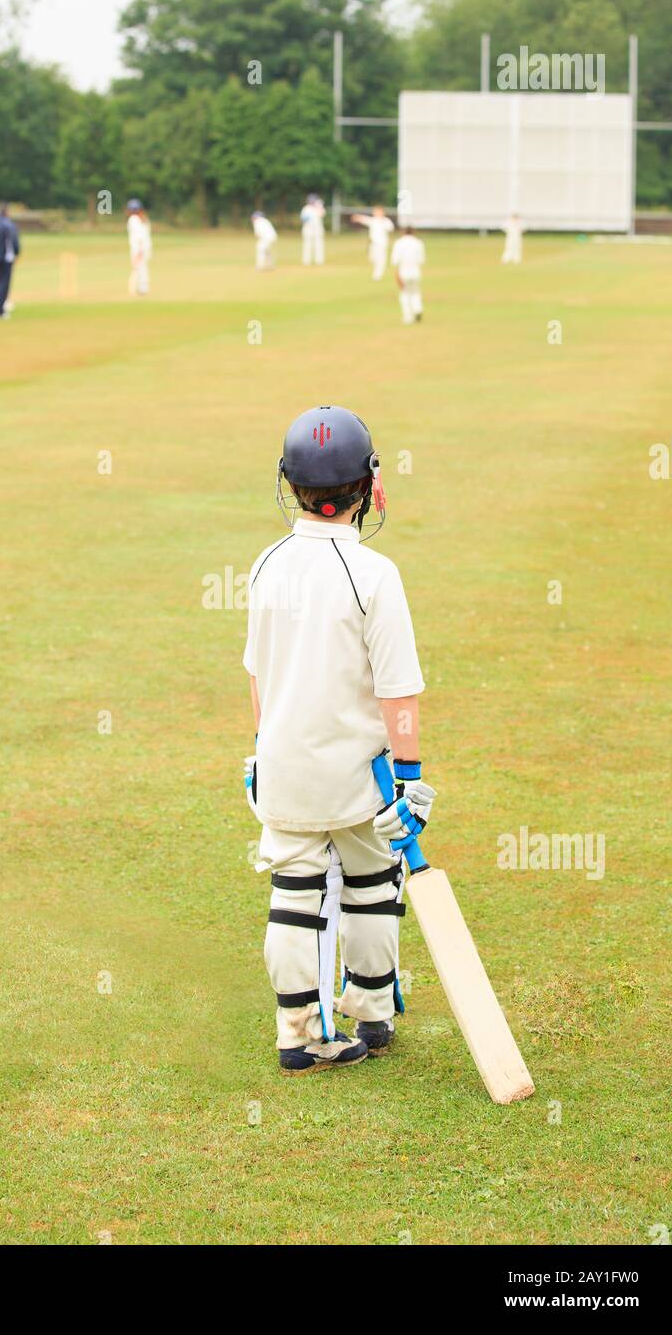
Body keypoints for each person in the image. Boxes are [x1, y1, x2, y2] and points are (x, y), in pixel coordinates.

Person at [242, 405, 432, 1073]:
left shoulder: (265, 564)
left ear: (288, 482)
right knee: (373, 884)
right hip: (358, 775)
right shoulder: (375, 575)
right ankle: (372, 1015)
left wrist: (260, 753)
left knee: (294, 894)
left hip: (285, 766)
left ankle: (296, 1033)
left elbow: (259, 675)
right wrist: (408, 775)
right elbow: (397, 690)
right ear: (368, 483)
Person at [391, 225, 426, 324]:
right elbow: (421, 260)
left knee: (404, 293)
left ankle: (408, 317)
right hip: (416, 271)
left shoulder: (399, 243)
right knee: (415, 291)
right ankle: (417, 308)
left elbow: (395, 260)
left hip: (403, 271)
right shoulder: (418, 243)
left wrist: (396, 273)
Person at [350, 205, 395, 280]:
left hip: (382, 243)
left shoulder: (386, 221)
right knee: (372, 258)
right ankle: (377, 272)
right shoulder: (373, 220)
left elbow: (391, 228)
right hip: (373, 243)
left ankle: (377, 275)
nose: (376, 213)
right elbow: (364, 219)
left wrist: (383, 223)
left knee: (381, 259)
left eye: (377, 212)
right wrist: (357, 217)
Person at [126, 199, 152, 295]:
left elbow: (139, 237)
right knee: (142, 268)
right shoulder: (144, 219)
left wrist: (139, 251)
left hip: (139, 249)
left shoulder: (133, 219)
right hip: (145, 248)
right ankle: (142, 288)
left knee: (140, 268)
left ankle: (143, 288)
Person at [300, 193, 326, 266]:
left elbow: (322, 214)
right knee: (307, 245)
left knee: (319, 244)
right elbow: (302, 219)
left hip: (317, 228)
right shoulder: (306, 208)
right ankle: (306, 261)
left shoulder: (319, 207)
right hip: (308, 228)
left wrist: (319, 206)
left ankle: (319, 261)